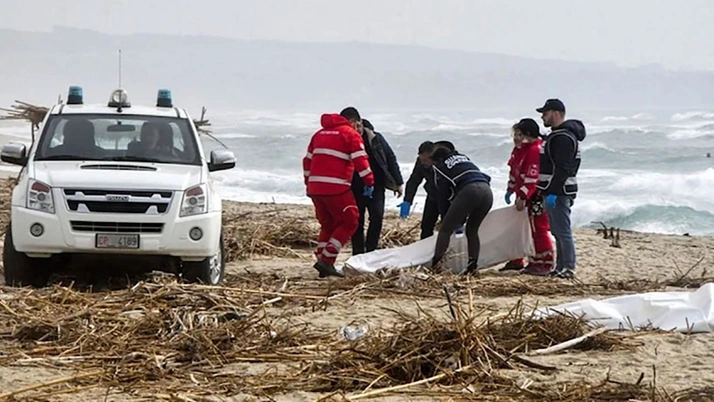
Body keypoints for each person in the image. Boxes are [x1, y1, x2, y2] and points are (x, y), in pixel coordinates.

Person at [303, 112, 375, 278]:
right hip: (337, 188)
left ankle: (322, 259)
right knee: (350, 221)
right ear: (351, 121)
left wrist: (309, 183)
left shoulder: (318, 134)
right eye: (357, 124)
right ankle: (327, 261)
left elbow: (307, 161)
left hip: (316, 188)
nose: (358, 128)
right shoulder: (350, 134)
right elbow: (361, 160)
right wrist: (369, 182)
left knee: (328, 224)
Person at [341, 107, 404, 255]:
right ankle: (357, 253)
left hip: (376, 184)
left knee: (377, 217)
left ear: (360, 122)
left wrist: (398, 182)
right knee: (357, 221)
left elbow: (390, 158)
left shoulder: (374, 138)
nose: (352, 129)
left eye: (354, 124)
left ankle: (371, 251)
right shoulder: (344, 140)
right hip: (354, 186)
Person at [536, 99, 587, 279]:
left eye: (545, 113)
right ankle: (560, 267)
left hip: (560, 191)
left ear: (556, 113)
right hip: (558, 190)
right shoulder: (557, 135)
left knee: (563, 231)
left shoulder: (563, 138)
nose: (542, 116)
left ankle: (568, 268)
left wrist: (552, 192)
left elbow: (562, 168)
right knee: (557, 230)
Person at [501, 118, 555, 276]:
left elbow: (533, 176)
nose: (516, 138)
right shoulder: (520, 149)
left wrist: (524, 195)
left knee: (538, 228)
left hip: (535, 196)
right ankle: (518, 260)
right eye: (515, 134)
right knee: (521, 228)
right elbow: (514, 170)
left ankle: (545, 261)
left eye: (519, 134)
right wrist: (510, 189)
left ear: (528, 134)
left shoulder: (535, 150)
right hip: (522, 194)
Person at [429, 145, 493, 274]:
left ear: (437, 160)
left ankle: (436, 266)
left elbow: (443, 195)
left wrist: (444, 217)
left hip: (470, 191)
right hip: (487, 191)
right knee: (472, 230)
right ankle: (472, 266)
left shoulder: (440, 167)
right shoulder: (464, 158)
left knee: (445, 230)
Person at [400, 140, 456, 239]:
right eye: (421, 160)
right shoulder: (421, 161)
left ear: (434, 157)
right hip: (433, 195)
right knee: (426, 226)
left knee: (448, 226)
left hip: (449, 198)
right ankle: (424, 249)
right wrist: (407, 200)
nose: (423, 163)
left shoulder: (447, 160)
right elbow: (414, 180)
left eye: (425, 161)